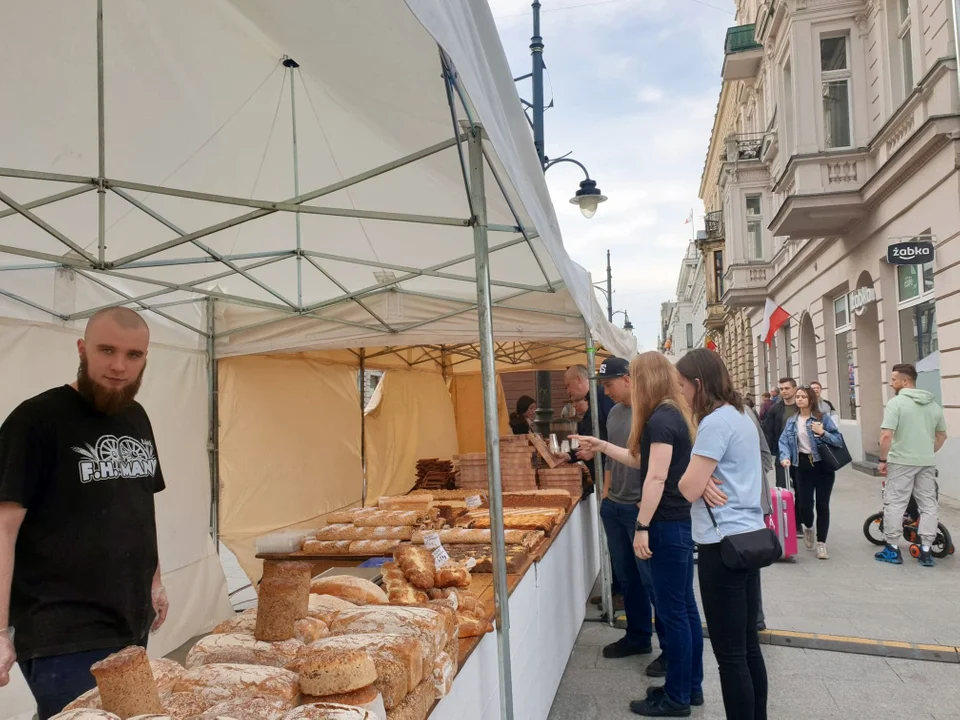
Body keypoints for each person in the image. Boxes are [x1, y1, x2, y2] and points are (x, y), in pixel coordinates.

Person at [0, 307, 169, 719]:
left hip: (129, 620)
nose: (118, 366)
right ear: (82, 348)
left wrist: (156, 581)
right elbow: (3, 528)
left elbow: (140, 506)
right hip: (60, 626)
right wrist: (0, 630)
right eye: (106, 350)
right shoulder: (36, 419)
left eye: (133, 355)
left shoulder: (137, 416)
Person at [575, 352, 703, 717]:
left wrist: (642, 525)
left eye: (634, 376)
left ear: (645, 379)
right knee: (684, 611)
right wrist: (601, 446)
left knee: (675, 613)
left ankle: (677, 696)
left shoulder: (661, 418)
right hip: (675, 525)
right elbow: (639, 460)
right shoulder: (670, 414)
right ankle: (689, 688)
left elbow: (656, 477)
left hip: (665, 526)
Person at [676, 349, 768, 720]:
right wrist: (703, 479)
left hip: (721, 544)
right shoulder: (741, 413)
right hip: (749, 538)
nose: (681, 393)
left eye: (683, 385)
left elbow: (686, 488)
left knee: (730, 655)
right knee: (748, 647)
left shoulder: (714, 423)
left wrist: (698, 480)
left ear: (698, 384)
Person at [875, 363, 947, 567]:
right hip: (925, 461)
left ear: (905, 381)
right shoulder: (933, 404)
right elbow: (942, 435)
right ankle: (926, 550)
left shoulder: (896, 403)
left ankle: (892, 549)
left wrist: (882, 460)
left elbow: (886, 434)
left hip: (900, 461)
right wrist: (926, 451)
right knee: (928, 504)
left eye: (893, 380)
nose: (891, 384)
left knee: (895, 503)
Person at [777, 387, 843, 560]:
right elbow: (783, 441)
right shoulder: (792, 421)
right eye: (798, 396)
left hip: (823, 466)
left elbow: (838, 440)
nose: (799, 399)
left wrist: (823, 433)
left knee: (822, 505)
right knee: (804, 505)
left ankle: (822, 544)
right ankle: (808, 527)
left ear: (811, 400)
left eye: (803, 397)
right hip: (802, 465)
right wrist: (785, 457)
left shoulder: (823, 418)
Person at [762, 377, 800, 534]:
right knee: (783, 490)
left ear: (794, 389)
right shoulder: (775, 409)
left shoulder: (802, 407)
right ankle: (786, 523)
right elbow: (768, 433)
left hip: (802, 456)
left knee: (801, 492)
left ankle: (799, 522)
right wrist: (769, 457)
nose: (784, 391)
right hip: (781, 456)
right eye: (782, 388)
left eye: (787, 388)